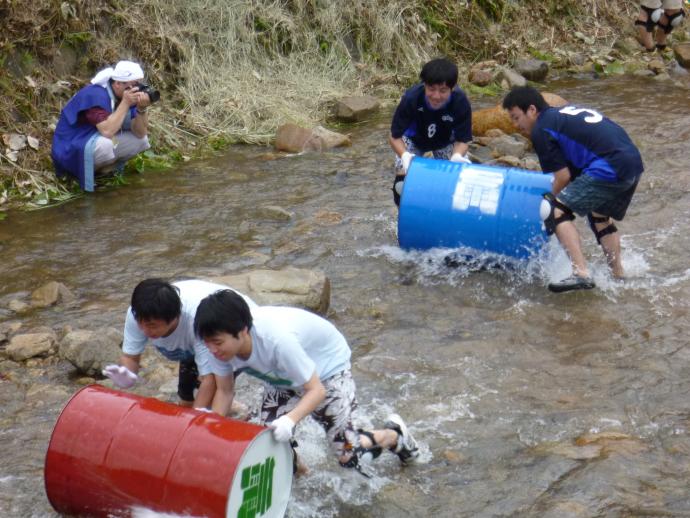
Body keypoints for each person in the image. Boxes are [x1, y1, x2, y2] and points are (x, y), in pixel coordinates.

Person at [193, 290, 420, 475]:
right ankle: (302, 474)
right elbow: (224, 391)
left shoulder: (277, 341)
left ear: (243, 331)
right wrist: (210, 430)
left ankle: (394, 435)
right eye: (207, 343)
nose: (212, 350)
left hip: (327, 371)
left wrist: (289, 421)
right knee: (260, 440)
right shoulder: (218, 349)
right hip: (283, 378)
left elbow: (316, 390)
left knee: (347, 456)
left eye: (217, 342)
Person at [501, 86, 644, 293]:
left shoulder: (541, 129)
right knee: (600, 216)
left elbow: (562, 177)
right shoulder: (561, 115)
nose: (516, 125)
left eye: (516, 118)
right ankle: (618, 275)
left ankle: (581, 273)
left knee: (555, 210)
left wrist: (550, 204)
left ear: (531, 110)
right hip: (632, 164)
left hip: (609, 166)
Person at [102, 279, 257, 413]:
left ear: (175, 317)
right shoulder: (139, 314)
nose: (145, 330)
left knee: (213, 395)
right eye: (140, 324)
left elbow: (209, 380)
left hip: (232, 332)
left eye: (152, 326)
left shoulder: (197, 323)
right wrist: (126, 376)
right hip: (191, 348)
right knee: (185, 402)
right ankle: (232, 409)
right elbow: (130, 357)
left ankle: (236, 412)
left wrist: (193, 423)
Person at [51, 60, 153, 192]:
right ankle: (78, 173)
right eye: (134, 84)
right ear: (117, 84)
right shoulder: (95, 95)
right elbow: (107, 131)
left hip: (93, 138)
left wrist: (141, 109)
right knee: (106, 145)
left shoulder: (126, 95)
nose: (138, 89)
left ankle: (104, 170)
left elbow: (141, 133)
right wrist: (125, 103)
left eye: (139, 84)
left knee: (141, 141)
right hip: (70, 146)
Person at [389, 57, 473, 206]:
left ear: (452, 88)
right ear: (424, 85)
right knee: (401, 183)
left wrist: (457, 155)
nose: (436, 96)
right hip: (414, 140)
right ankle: (405, 217)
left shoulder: (460, 101)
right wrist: (404, 155)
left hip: (445, 142)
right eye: (431, 89)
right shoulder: (411, 98)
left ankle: (445, 213)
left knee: (458, 178)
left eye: (443, 91)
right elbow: (394, 137)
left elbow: (463, 139)